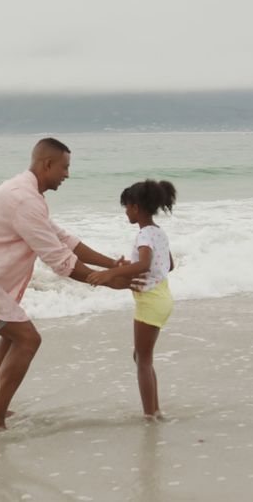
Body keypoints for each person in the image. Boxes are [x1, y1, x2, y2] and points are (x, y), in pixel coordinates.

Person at [0, 137, 135, 430]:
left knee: (14, 336)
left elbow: (64, 240)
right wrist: (107, 281)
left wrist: (112, 265)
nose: (67, 175)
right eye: (64, 167)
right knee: (27, 339)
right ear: (47, 164)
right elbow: (60, 261)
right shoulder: (24, 200)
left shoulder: (26, 193)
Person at [86, 179, 176, 420]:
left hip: (150, 301)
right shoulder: (159, 232)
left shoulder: (144, 234)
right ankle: (154, 410)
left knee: (143, 360)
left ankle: (151, 415)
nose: (125, 211)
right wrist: (131, 268)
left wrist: (112, 272)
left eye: (126, 206)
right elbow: (169, 265)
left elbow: (145, 263)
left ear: (136, 207)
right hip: (163, 296)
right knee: (141, 357)